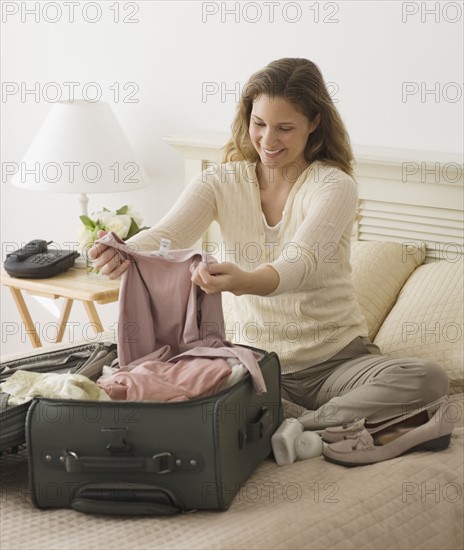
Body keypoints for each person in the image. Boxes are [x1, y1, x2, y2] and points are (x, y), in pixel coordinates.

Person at [89, 58, 448, 436]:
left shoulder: (334, 186)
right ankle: (305, 420)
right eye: (259, 124)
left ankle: (291, 424)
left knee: (427, 379)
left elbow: (301, 261)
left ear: (314, 123)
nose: (268, 140)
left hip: (337, 364)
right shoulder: (219, 182)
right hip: (253, 366)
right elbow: (167, 236)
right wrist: (123, 251)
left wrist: (242, 281)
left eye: (285, 128)